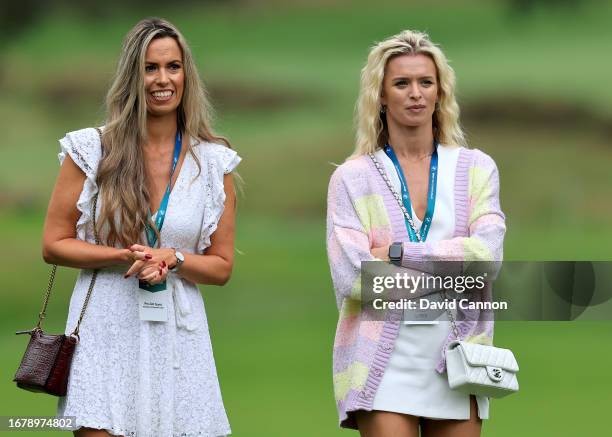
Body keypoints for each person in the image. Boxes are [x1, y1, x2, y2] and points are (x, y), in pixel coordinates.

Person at [42, 18, 240, 437]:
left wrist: (175, 257)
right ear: (133, 76)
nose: (162, 79)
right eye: (151, 68)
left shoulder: (213, 163)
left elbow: (221, 266)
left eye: (173, 66)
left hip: (178, 333)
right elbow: (53, 244)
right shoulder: (90, 149)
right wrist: (123, 256)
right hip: (104, 328)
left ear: (187, 75)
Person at [326, 30, 506, 436]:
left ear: (440, 93)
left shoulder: (476, 168)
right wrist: (449, 274)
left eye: (426, 82)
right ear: (381, 96)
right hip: (381, 363)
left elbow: (487, 259)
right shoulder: (352, 178)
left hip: (459, 362)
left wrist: (396, 254)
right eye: (401, 83)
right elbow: (356, 278)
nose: (415, 93)